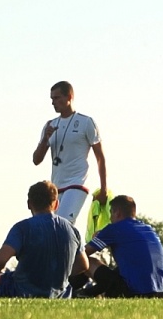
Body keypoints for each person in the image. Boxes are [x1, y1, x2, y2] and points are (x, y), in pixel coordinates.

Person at [32, 81, 108, 229]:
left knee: (63, 225)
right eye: (52, 99)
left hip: (77, 183)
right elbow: (36, 160)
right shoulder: (50, 125)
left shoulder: (86, 122)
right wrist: (45, 140)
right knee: (51, 228)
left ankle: (76, 251)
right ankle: (76, 251)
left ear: (69, 97)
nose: (54, 102)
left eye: (57, 98)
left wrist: (104, 188)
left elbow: (100, 157)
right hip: (55, 186)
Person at [69, 195, 163, 298]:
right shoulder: (149, 229)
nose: (110, 217)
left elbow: (83, 253)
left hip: (133, 292)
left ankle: (71, 289)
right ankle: (88, 292)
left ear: (117, 213)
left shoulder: (114, 229)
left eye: (111, 212)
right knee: (121, 269)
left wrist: (98, 238)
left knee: (86, 260)